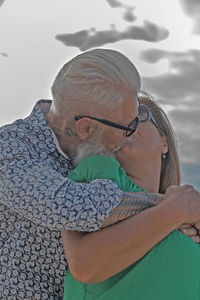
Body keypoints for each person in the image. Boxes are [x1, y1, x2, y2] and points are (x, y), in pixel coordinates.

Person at [0, 48, 199, 299]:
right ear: (85, 127)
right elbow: (70, 206)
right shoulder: (11, 149)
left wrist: (176, 215)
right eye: (127, 126)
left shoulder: (90, 154)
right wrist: (172, 209)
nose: (131, 132)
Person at [63, 95, 200, 300]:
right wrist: (175, 210)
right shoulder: (101, 172)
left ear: (164, 141)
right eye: (115, 121)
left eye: (138, 115)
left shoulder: (188, 221)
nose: (126, 125)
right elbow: (84, 264)